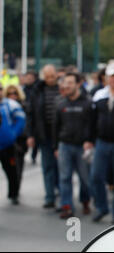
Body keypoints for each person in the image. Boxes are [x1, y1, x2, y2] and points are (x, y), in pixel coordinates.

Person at [87, 62, 114, 224]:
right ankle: (102, 207)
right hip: (102, 142)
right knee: (96, 176)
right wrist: (89, 140)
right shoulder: (99, 96)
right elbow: (92, 120)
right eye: (113, 76)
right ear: (106, 79)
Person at [53, 72, 92, 219]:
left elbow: (92, 125)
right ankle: (67, 206)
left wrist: (90, 141)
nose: (67, 85)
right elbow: (55, 127)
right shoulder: (61, 104)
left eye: (70, 82)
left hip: (82, 147)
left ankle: (85, 200)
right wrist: (55, 146)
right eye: (65, 83)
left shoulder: (87, 103)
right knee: (65, 177)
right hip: (65, 146)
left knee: (85, 178)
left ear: (78, 84)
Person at [26, 65, 60, 209]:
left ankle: (62, 194)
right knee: (47, 167)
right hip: (44, 134)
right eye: (47, 77)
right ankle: (49, 197)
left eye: (52, 76)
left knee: (60, 168)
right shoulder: (37, 90)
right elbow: (31, 114)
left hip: (60, 135)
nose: (50, 79)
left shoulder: (62, 88)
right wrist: (30, 135)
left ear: (56, 75)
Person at [0, 83, 26, 205]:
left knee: (11, 171)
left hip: (8, 145)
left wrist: (12, 135)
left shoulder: (10, 104)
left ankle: (14, 194)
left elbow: (21, 120)